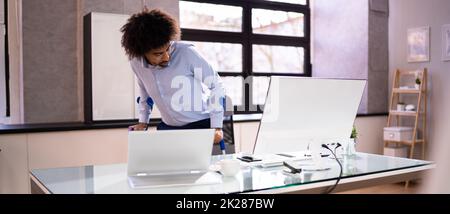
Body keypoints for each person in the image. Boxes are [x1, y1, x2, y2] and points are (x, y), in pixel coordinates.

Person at [121, 8, 225, 144]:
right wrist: (143, 122)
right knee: (164, 164)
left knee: (198, 165)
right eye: (158, 54)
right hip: (168, 128)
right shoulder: (136, 63)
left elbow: (216, 84)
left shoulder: (186, 53)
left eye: (167, 48)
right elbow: (145, 94)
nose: (167, 57)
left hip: (200, 125)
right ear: (142, 53)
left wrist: (217, 127)